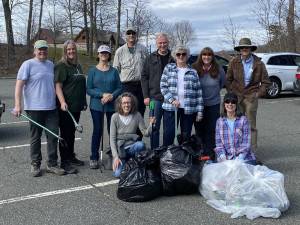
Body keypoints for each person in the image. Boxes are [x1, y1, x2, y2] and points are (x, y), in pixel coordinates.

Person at [13, 40, 65, 177]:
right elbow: (19, 85)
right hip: (34, 108)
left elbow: (55, 86)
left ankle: (52, 164)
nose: (42, 51)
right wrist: (18, 105)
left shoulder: (50, 65)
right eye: (40, 49)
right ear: (35, 51)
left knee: (53, 135)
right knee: (35, 137)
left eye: (44, 49)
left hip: (51, 107)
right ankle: (35, 163)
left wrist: (61, 101)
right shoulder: (28, 64)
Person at [226, 38, 271, 152]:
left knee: (251, 126)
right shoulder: (233, 62)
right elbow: (228, 80)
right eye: (242, 47)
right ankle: (237, 150)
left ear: (250, 49)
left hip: (251, 97)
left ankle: (252, 153)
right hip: (237, 97)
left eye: (247, 47)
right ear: (239, 50)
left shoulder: (259, 63)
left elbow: (266, 82)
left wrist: (257, 94)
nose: (244, 49)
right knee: (236, 125)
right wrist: (232, 94)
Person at [87, 45, 123, 169]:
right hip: (97, 105)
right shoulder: (92, 71)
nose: (104, 55)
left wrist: (112, 96)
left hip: (112, 106)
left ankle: (113, 155)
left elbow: (119, 87)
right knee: (97, 130)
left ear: (109, 55)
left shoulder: (114, 71)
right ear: (98, 55)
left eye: (106, 53)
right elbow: (89, 90)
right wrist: (102, 94)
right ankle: (94, 157)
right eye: (101, 53)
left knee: (112, 131)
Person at [160, 45, 203, 146]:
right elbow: (163, 86)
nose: (181, 56)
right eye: (178, 54)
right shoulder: (168, 68)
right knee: (169, 134)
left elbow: (198, 93)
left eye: (183, 54)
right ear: (175, 56)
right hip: (171, 108)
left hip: (188, 109)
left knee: (185, 136)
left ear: (187, 56)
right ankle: (167, 157)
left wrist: (200, 111)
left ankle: (183, 157)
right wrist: (172, 100)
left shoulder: (193, 72)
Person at [54, 40, 87, 174]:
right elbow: (58, 86)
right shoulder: (61, 66)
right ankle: (64, 161)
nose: (71, 51)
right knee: (66, 134)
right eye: (68, 49)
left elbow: (80, 85)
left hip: (76, 106)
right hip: (66, 107)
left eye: (73, 49)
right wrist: (62, 102)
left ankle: (71, 156)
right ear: (65, 51)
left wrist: (83, 101)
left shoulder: (78, 66)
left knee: (72, 133)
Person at [113, 27, 148, 139]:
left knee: (140, 112)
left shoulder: (143, 49)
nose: (131, 35)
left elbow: (147, 67)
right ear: (125, 36)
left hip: (141, 85)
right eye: (129, 33)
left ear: (136, 35)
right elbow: (115, 69)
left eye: (133, 33)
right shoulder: (120, 51)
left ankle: (138, 140)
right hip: (126, 85)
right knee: (127, 112)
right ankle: (125, 141)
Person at [110, 92, 155, 177]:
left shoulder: (137, 115)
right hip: (120, 150)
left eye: (128, 102)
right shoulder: (114, 117)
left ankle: (136, 163)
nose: (126, 105)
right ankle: (125, 161)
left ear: (132, 103)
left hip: (132, 147)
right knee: (117, 174)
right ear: (120, 104)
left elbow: (145, 134)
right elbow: (112, 139)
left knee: (140, 145)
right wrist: (115, 157)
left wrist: (151, 125)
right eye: (124, 103)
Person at [192, 47, 225, 160]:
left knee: (211, 130)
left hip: (213, 104)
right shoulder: (195, 68)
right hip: (198, 105)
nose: (207, 57)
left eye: (209, 55)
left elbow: (221, 84)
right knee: (199, 129)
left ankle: (210, 153)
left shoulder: (218, 69)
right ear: (201, 56)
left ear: (212, 56)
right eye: (204, 55)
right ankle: (201, 153)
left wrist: (213, 93)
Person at [141, 32, 173, 149]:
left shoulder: (173, 58)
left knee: (168, 129)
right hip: (154, 98)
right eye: (160, 43)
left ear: (168, 43)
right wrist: (146, 96)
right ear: (156, 44)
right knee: (154, 125)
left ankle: (166, 152)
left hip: (169, 99)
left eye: (165, 42)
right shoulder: (150, 58)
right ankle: (154, 151)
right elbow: (144, 76)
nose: (163, 45)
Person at [215, 92, 256, 165]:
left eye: (233, 102)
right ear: (224, 104)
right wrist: (223, 157)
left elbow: (246, 143)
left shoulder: (243, 120)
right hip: (227, 158)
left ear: (236, 105)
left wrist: (239, 159)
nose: (230, 104)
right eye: (227, 101)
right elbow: (219, 144)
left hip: (243, 158)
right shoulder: (219, 121)